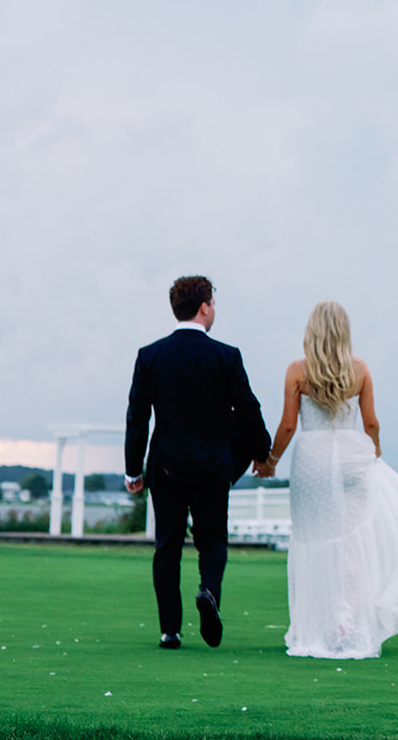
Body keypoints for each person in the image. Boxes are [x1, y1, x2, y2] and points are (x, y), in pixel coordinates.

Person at [262, 301, 398, 659]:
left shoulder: (297, 370)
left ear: (311, 331)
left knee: (314, 537)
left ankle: (320, 626)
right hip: (351, 456)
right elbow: (371, 422)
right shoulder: (359, 369)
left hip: (311, 460)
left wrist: (270, 461)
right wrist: (375, 451)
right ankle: (350, 623)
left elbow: (288, 426)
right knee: (352, 543)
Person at [125, 276, 271, 651]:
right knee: (212, 540)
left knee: (167, 546)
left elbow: (137, 416)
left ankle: (169, 631)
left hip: (166, 467)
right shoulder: (226, 356)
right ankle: (208, 592)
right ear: (204, 307)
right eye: (214, 304)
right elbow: (248, 408)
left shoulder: (151, 355)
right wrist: (262, 451)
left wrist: (133, 469)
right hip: (212, 467)